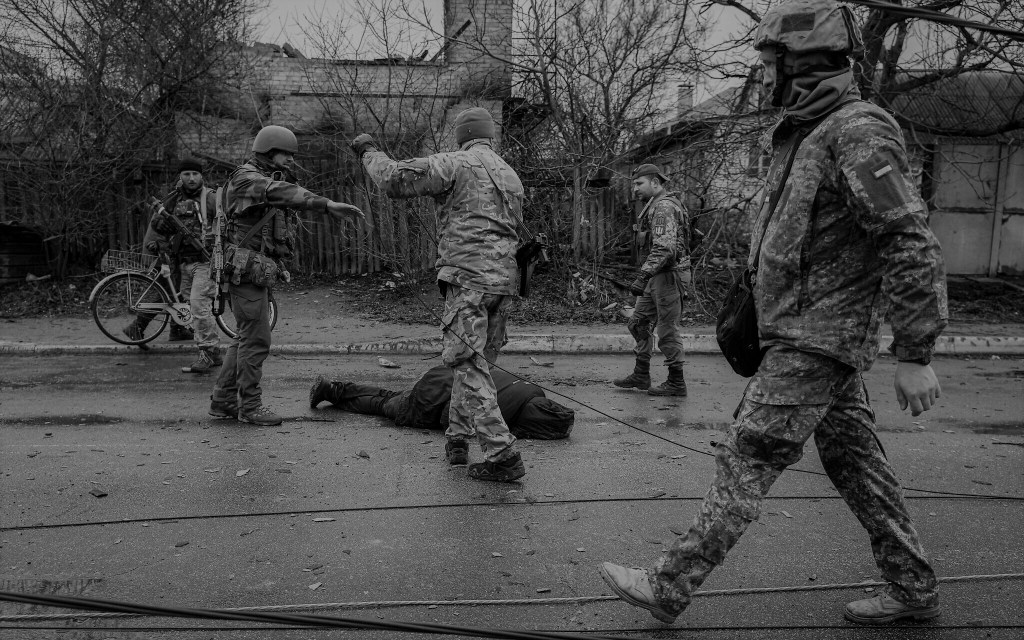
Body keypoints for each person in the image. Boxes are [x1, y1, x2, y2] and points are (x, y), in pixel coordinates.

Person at [599, 0, 948, 627]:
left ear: (804, 62)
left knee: (748, 453)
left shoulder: (859, 130)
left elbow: (908, 238)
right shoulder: (805, 133)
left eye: (769, 61)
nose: (761, 74)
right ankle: (913, 588)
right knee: (856, 464)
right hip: (804, 332)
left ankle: (668, 585)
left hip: (819, 337)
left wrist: (915, 353)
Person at [351, 107, 527, 482]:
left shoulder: (456, 163)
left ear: (461, 135)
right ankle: (458, 439)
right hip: (504, 282)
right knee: (475, 365)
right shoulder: (510, 174)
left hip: (468, 280)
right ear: (490, 135)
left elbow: (394, 179)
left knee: (467, 363)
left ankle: (501, 453)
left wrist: (368, 150)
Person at [209, 125, 364, 426]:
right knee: (256, 340)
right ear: (268, 151)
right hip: (244, 272)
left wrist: (278, 264)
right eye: (286, 154)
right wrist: (326, 204)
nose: (292, 160)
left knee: (245, 338)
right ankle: (249, 407)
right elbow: (276, 192)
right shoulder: (246, 179)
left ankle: (223, 400)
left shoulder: (268, 179)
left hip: (255, 270)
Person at [308, 365, 574, 440]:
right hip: (432, 399)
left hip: (444, 375)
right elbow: (449, 415)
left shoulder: (532, 390)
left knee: (390, 396)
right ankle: (330, 392)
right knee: (384, 405)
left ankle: (335, 388)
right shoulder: (501, 414)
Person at [613, 164, 691, 396]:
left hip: (668, 275)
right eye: (634, 184)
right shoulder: (654, 205)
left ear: (655, 182)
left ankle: (676, 382)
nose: (635, 189)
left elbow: (665, 248)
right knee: (638, 323)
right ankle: (641, 373)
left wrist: (643, 275)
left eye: (639, 183)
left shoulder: (664, 207)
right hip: (656, 275)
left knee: (667, 329)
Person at [146, 157, 221, 373]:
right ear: (180, 176)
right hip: (184, 264)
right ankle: (214, 354)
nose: (191, 178)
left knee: (198, 306)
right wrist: (160, 247)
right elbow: (157, 227)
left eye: (195, 174)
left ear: (201, 176)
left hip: (206, 262)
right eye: (186, 174)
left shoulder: (211, 198)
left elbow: (227, 224)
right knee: (197, 309)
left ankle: (207, 353)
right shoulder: (172, 200)